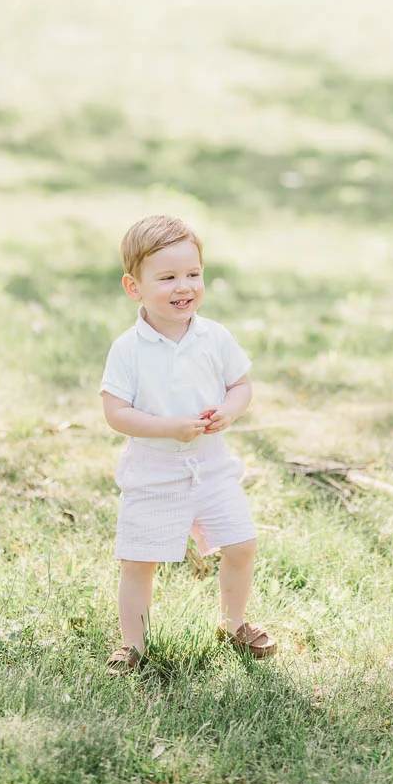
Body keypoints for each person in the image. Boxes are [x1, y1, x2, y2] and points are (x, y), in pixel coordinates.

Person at [100, 214, 276, 671]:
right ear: (133, 287)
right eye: (168, 277)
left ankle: (233, 622)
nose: (185, 286)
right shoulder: (128, 349)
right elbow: (115, 412)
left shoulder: (213, 337)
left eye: (193, 274)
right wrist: (168, 427)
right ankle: (133, 645)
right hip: (153, 471)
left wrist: (230, 411)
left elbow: (241, 385)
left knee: (241, 545)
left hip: (211, 466)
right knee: (139, 561)